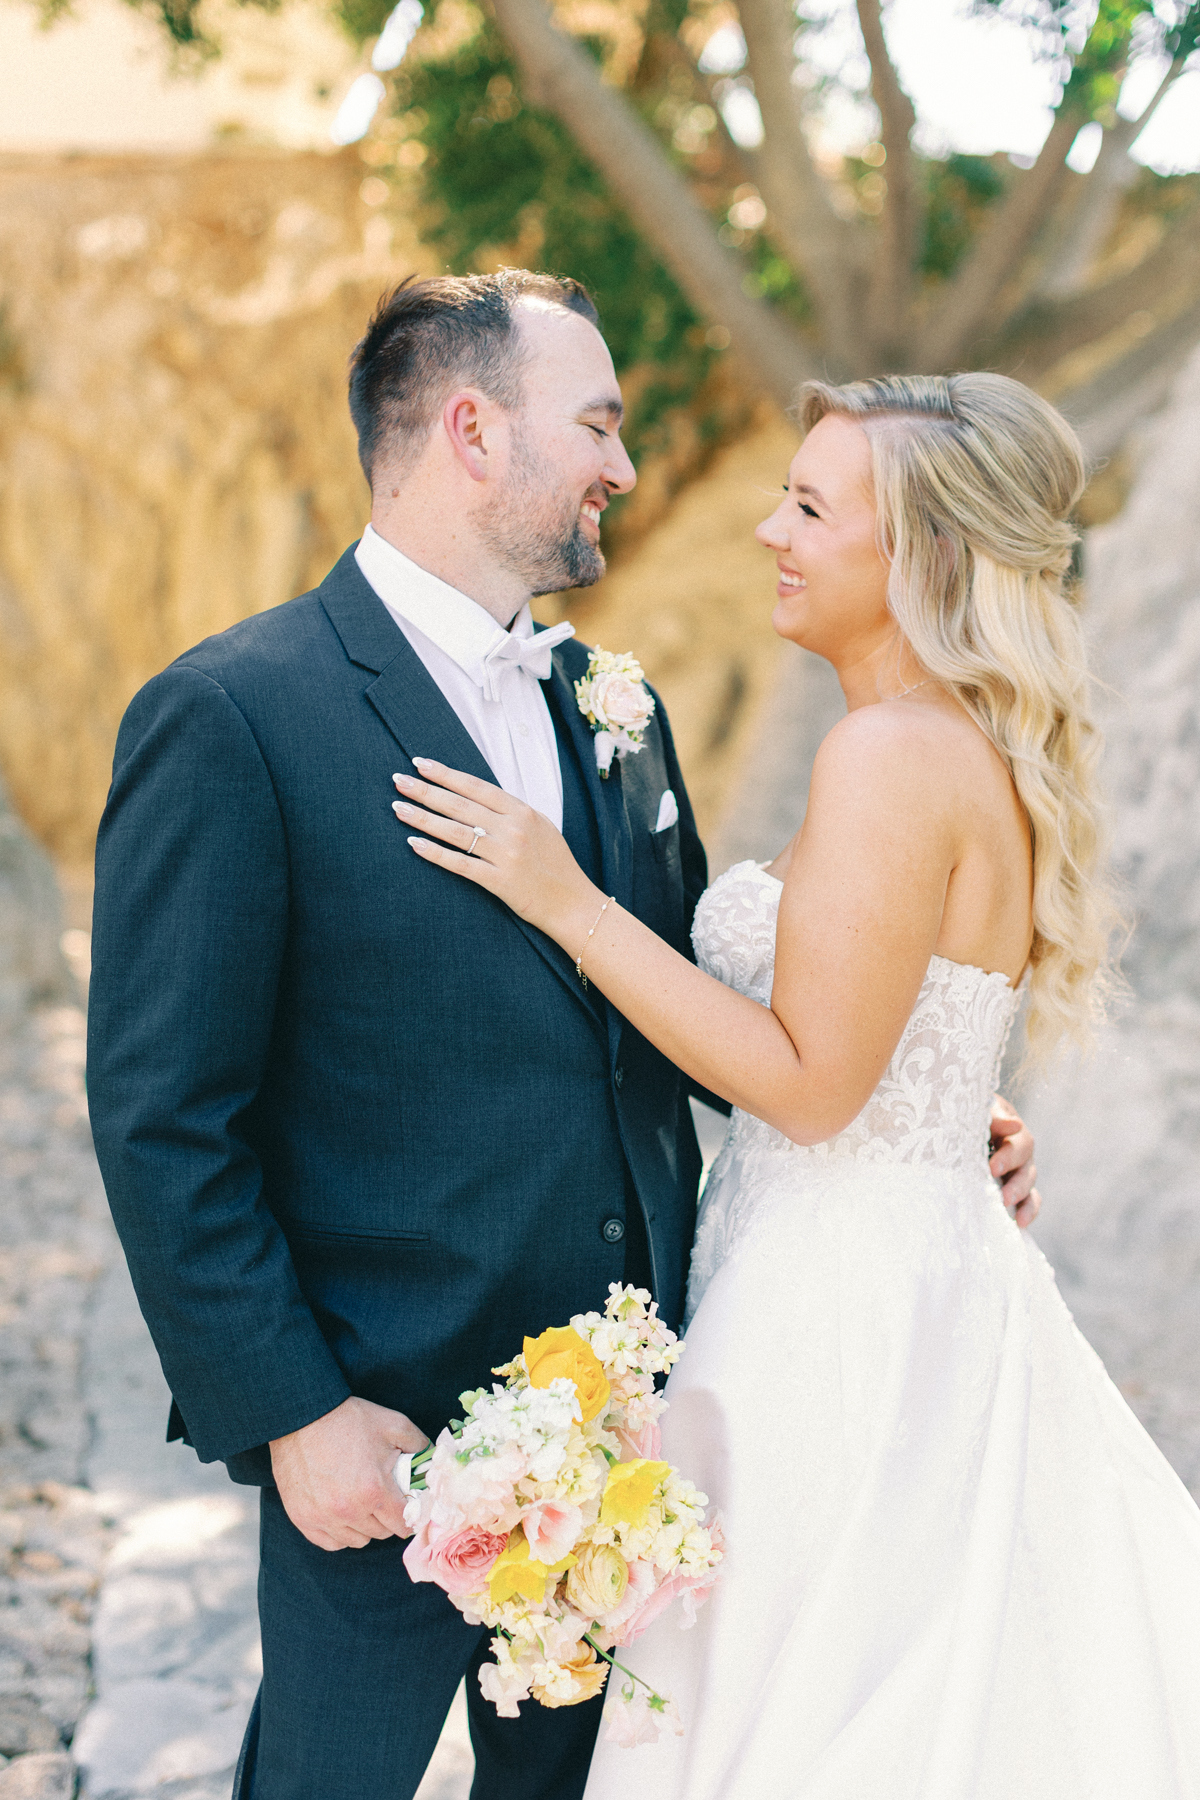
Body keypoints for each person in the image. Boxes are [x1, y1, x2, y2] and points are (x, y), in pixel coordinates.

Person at [85, 275, 1037, 1800]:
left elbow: (674, 1025)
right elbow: (160, 1115)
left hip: (641, 1431)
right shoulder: (235, 713)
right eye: (597, 423)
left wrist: (912, 1127)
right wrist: (295, 1415)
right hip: (380, 1439)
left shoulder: (617, 706)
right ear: (472, 428)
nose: (627, 467)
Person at [397, 371, 1200, 1798]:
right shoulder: (958, 744)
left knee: (805, 1703)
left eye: (814, 507)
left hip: (837, 1307)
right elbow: (895, 1042)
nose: (771, 527)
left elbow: (815, 1087)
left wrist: (567, 898)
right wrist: (957, 1125)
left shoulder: (891, 753)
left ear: (926, 560)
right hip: (904, 1260)